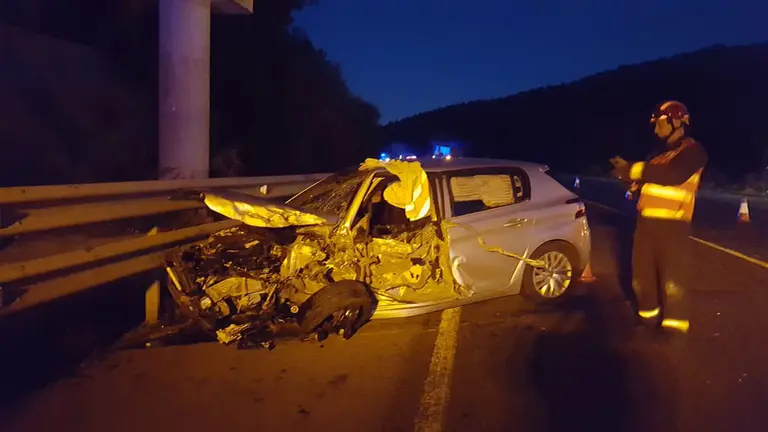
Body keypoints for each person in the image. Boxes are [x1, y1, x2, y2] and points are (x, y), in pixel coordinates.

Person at [609, 100, 708, 334]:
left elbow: (672, 175)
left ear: (677, 122)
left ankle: (675, 329)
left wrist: (633, 169)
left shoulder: (693, 151)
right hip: (645, 225)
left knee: (673, 281)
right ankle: (647, 319)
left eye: (660, 124)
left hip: (673, 225)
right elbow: (649, 181)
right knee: (641, 279)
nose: (655, 130)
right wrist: (630, 181)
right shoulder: (658, 156)